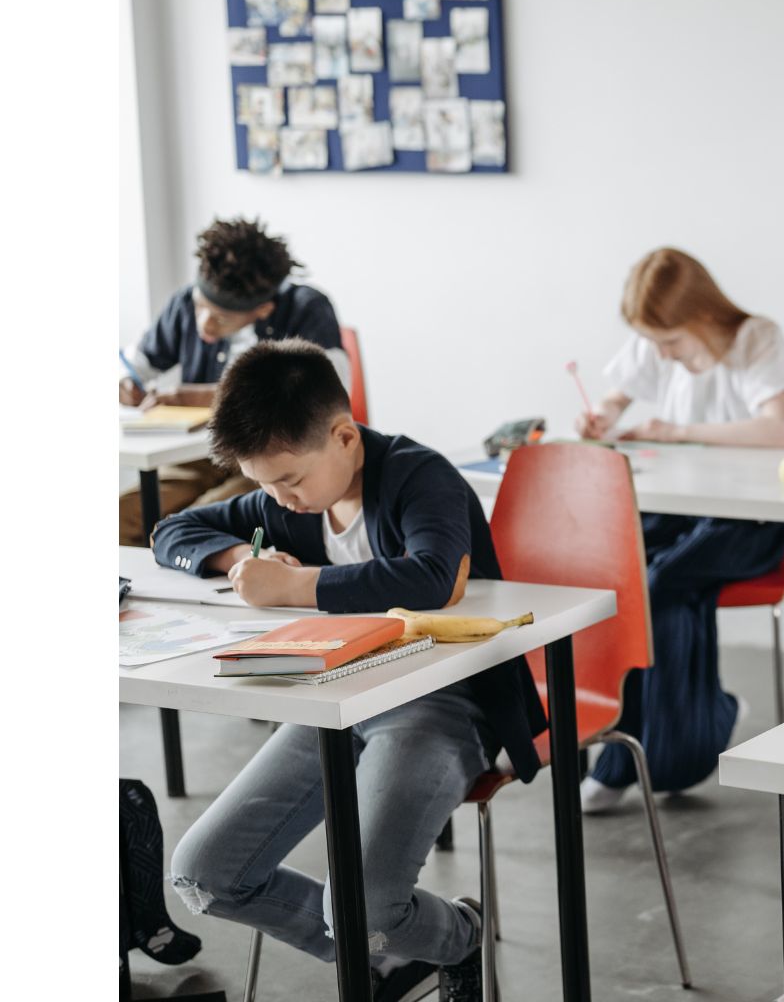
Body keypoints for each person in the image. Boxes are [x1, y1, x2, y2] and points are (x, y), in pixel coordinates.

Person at [152, 341, 539, 1002]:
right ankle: (384, 952)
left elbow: (433, 576)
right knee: (203, 875)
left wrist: (294, 587)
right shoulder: (286, 501)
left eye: (291, 480)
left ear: (344, 437)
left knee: (360, 904)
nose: (279, 500)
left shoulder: (422, 477)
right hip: (334, 703)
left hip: (442, 702)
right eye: (264, 484)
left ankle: (455, 937)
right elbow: (174, 531)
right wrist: (238, 565)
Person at [572, 247, 784, 811]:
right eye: (653, 342)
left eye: (670, 342)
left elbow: (780, 427)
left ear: (701, 315)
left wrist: (680, 431)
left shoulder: (756, 338)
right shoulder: (658, 341)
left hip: (752, 521)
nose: (661, 353)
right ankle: (697, 724)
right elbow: (616, 394)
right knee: (619, 575)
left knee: (661, 582)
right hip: (680, 510)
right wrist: (602, 414)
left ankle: (633, 756)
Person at [118, 216, 347, 546]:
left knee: (190, 526)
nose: (205, 326)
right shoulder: (184, 304)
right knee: (123, 516)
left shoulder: (307, 309)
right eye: (201, 307)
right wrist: (127, 381)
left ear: (264, 310)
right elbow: (134, 361)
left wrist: (198, 397)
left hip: (272, 461)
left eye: (222, 318)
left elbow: (329, 395)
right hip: (201, 455)